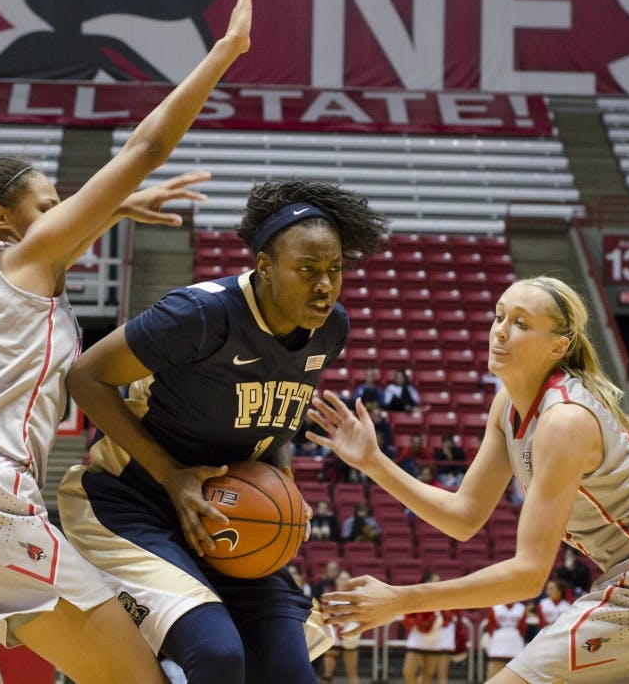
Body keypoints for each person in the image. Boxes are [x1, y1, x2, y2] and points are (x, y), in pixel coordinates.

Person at [0, 0, 258, 683]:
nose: (65, 213)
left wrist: (114, 208)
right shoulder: (19, 260)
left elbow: (82, 215)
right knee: (142, 677)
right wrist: (225, 52)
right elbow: (143, 147)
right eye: (51, 203)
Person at [307, 275, 629, 683]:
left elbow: (529, 574)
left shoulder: (565, 420)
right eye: (499, 316)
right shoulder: (507, 406)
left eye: (521, 323)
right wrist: (374, 461)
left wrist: (402, 600)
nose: (501, 332)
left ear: (558, 346)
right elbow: (463, 516)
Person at [57, 174, 387, 684]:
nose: (324, 284)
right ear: (264, 267)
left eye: (335, 270)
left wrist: (283, 482)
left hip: (223, 518)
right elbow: (85, 377)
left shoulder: (331, 328)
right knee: (217, 656)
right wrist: (172, 475)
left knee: (291, 670)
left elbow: (274, 420)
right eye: (308, 269)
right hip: (131, 504)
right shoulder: (201, 314)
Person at [401, 571, 452, 684]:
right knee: (408, 672)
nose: (439, 583)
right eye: (436, 581)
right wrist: (420, 622)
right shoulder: (416, 597)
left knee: (427, 676)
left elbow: (447, 619)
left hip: (434, 640)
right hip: (417, 638)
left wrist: (439, 621)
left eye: (439, 581)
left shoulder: (442, 599)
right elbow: (407, 620)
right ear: (427, 582)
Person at [320, 571, 361, 684]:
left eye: (346, 579)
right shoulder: (329, 596)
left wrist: (348, 623)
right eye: (341, 579)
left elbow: (361, 616)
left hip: (349, 636)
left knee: (352, 674)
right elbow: (324, 615)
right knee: (327, 675)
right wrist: (337, 623)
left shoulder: (355, 597)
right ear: (336, 580)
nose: (344, 582)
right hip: (334, 637)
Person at [485, 601, 528, 679]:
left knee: (515, 673)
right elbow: (490, 627)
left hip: (515, 641)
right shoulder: (495, 607)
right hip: (498, 640)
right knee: (494, 673)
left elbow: (523, 629)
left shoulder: (521, 608)